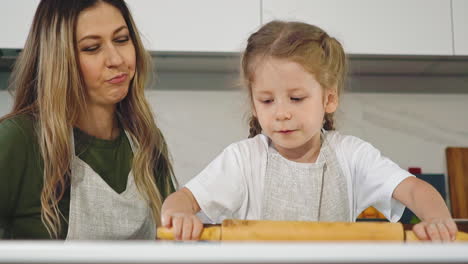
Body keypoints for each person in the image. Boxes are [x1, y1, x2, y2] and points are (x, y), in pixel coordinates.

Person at [161, 20, 457, 242]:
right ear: (253, 104)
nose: (281, 112)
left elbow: (416, 190)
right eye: (266, 100)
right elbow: (181, 199)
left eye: (296, 98)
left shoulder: (351, 155)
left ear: (329, 98)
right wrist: (178, 214)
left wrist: (437, 220)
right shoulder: (243, 160)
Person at [0, 0, 176, 239]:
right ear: (58, 60)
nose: (116, 59)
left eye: (122, 40)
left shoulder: (146, 139)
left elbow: (173, 243)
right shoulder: (18, 139)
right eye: (92, 48)